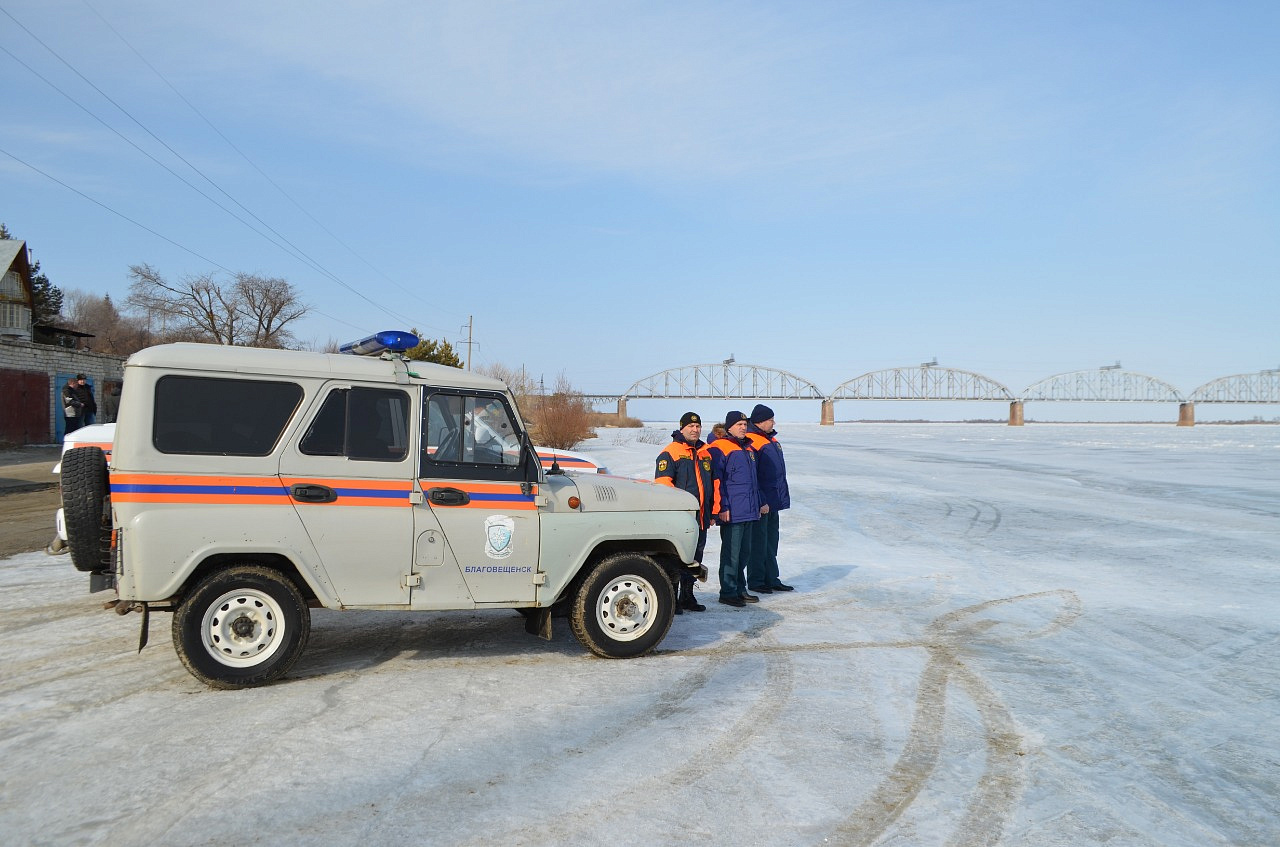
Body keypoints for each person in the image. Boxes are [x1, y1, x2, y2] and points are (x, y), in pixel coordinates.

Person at [654, 412, 714, 613]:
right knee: (676, 558)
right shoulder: (670, 452)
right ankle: (671, 599)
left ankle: (688, 596)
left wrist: (712, 511)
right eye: (691, 427)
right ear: (682, 428)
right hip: (680, 520)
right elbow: (663, 486)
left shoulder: (705, 452)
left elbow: (711, 484)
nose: (695, 430)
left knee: (695, 559)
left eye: (698, 427)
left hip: (701, 517)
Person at [707, 410, 767, 607]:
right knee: (731, 554)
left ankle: (741, 589)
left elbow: (754, 481)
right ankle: (728, 591)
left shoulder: (748, 448)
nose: (743, 427)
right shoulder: (719, 447)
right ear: (729, 427)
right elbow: (717, 480)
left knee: (744, 553)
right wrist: (722, 506)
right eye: (739, 424)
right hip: (732, 510)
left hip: (749, 509)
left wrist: (758, 503)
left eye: (744, 424)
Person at [744, 404, 795, 594]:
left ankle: (772, 578)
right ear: (760, 421)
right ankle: (757, 580)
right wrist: (761, 499)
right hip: (762, 501)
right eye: (770, 419)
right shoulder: (753, 441)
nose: (773, 422)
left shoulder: (771, 440)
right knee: (759, 542)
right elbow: (753, 475)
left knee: (771, 542)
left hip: (774, 500)